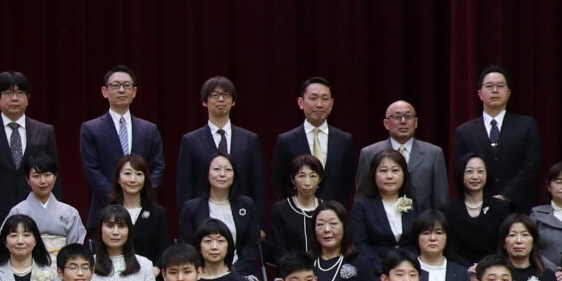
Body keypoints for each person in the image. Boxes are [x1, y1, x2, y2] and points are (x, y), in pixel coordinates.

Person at [0, 71, 58, 221]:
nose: (15, 98)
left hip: (36, 213)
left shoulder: (45, 131)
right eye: (8, 93)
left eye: (20, 93)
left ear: (28, 98)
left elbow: (54, 176)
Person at [80, 65, 168, 212]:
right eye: (115, 85)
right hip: (106, 209)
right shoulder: (91, 129)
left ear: (134, 92)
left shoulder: (149, 129)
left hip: (143, 207)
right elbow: (92, 170)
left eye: (126, 85)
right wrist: (116, 199)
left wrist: (141, 196)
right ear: (105, 91)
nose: (121, 90)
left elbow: (158, 167)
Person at [177, 75, 267, 211]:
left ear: (233, 101)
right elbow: (185, 187)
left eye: (226, 95)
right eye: (214, 95)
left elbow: (258, 185)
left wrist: (258, 221)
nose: (220, 99)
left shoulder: (249, 139)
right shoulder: (191, 141)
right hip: (204, 215)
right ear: (204, 101)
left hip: (242, 214)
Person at [456, 67, 543, 206]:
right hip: (479, 206)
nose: (495, 90)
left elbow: (531, 166)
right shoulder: (464, 131)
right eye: (489, 86)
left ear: (508, 93)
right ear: (480, 94)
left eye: (500, 86)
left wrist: (506, 196)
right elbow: (462, 171)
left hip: (518, 206)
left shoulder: (527, 125)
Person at [272, 78, 357, 205]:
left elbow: (348, 181)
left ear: (331, 103)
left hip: (333, 210)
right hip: (298, 210)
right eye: (313, 98)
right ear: (301, 102)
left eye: (325, 99)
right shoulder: (286, 140)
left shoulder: (344, 140)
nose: (319, 104)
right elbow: (280, 182)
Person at [354, 101, 449, 210]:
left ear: (416, 122)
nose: (403, 121)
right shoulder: (369, 153)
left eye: (408, 116)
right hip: (382, 218)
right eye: (397, 116)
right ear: (386, 123)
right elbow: (362, 196)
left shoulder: (434, 153)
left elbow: (441, 198)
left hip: (422, 218)